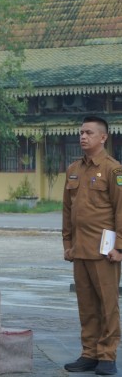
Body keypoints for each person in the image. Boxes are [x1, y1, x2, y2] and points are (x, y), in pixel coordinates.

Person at [63, 116, 122, 375]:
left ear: (103, 137)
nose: (83, 137)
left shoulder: (113, 170)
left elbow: (121, 210)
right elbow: (67, 210)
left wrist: (119, 246)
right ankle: (89, 354)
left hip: (105, 252)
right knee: (86, 306)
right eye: (81, 132)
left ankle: (107, 356)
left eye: (88, 132)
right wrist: (67, 243)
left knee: (107, 306)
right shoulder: (73, 169)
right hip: (80, 250)